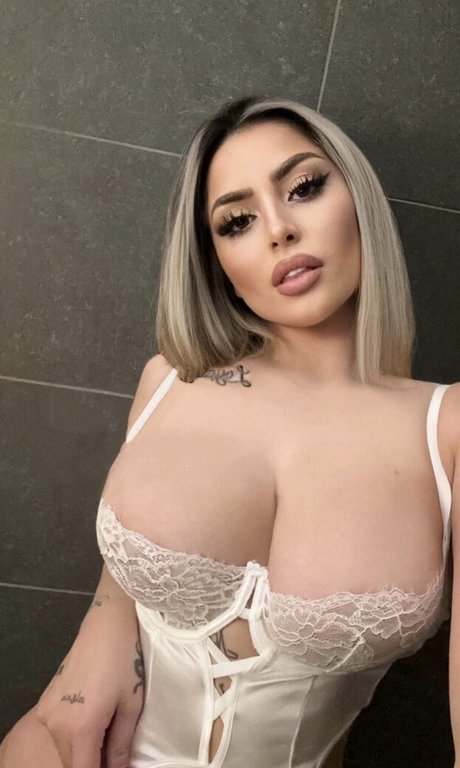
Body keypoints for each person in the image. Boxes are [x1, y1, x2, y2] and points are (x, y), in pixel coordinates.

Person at [1, 95, 459, 768]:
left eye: (304, 187)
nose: (279, 230)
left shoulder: (446, 432)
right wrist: (98, 635)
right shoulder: (168, 381)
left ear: (359, 201)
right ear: (218, 263)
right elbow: (125, 565)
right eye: (237, 221)